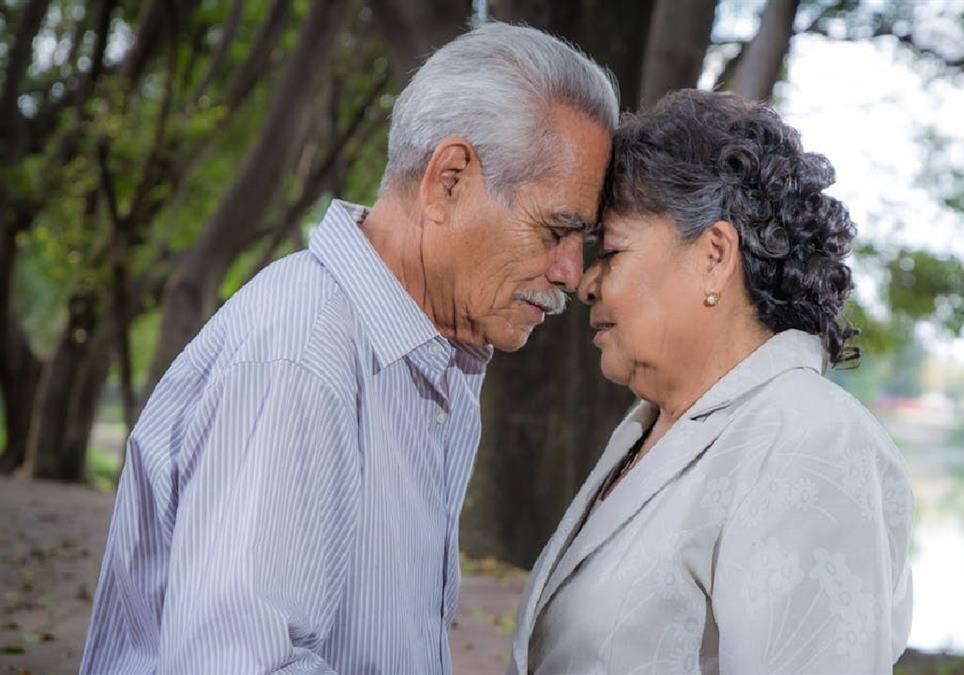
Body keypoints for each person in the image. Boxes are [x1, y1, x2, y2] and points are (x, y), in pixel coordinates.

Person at [80, 22, 617, 674]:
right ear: (448, 180)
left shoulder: (425, 361)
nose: (571, 271)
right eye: (557, 230)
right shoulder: (304, 355)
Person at [509, 89, 915, 674]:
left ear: (715, 255)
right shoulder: (654, 428)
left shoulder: (812, 441)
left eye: (612, 251)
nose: (584, 282)